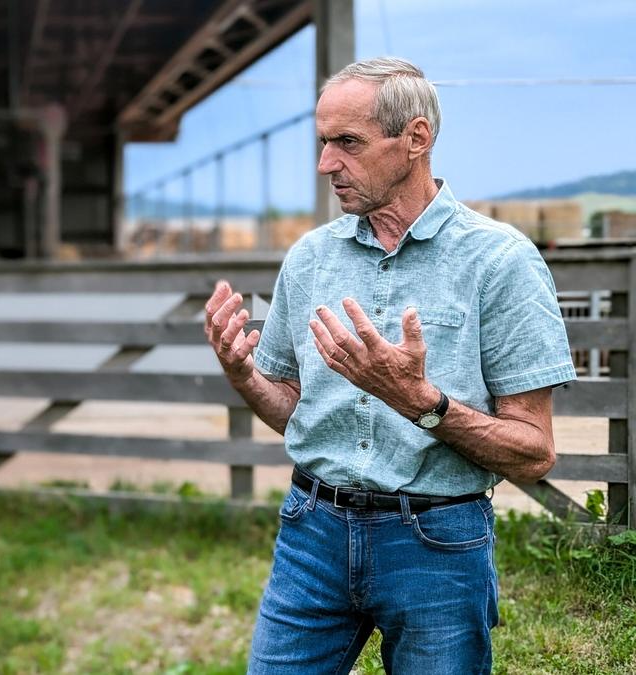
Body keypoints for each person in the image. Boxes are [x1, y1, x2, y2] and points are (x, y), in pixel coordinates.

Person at [205, 57, 575, 672]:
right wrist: (244, 375)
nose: (327, 164)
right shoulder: (309, 258)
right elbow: (295, 412)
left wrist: (420, 404)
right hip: (310, 533)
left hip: (437, 543)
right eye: (324, 143)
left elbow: (534, 451)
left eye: (347, 143)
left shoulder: (499, 261)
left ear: (416, 139)